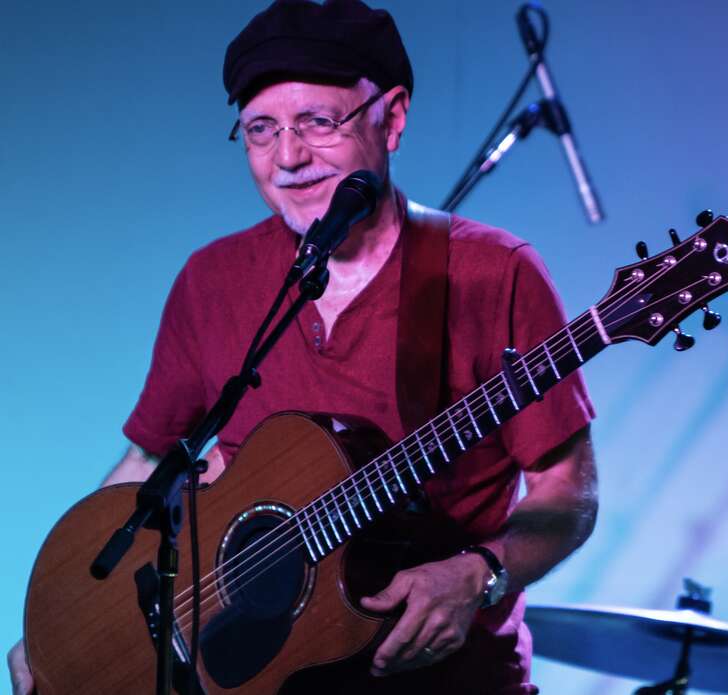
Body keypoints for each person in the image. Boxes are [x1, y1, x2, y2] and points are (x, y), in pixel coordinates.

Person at [8, 1, 597, 693]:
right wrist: (65, 628)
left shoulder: (494, 272)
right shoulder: (213, 279)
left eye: (318, 122)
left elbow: (567, 491)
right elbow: (149, 463)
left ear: (393, 117)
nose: (287, 157)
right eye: (261, 130)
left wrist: (481, 571)